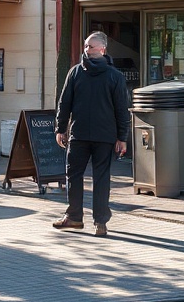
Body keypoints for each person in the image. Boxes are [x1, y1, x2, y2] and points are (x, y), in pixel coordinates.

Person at [53, 31, 130, 238]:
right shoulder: (77, 72)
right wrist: (60, 128)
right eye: (86, 46)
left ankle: (96, 221)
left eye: (91, 47)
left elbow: (122, 109)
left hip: (97, 136)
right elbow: (64, 102)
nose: (87, 50)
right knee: (79, 176)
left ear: (103, 50)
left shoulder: (111, 76)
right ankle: (80, 218)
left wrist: (122, 137)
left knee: (96, 178)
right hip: (84, 135)